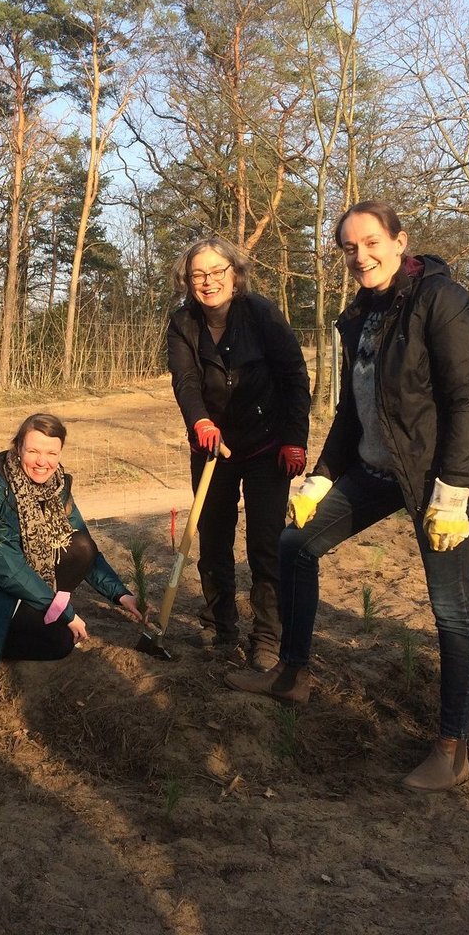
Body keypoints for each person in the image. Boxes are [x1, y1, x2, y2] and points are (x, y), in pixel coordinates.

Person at [225, 200, 469, 793]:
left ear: (401, 242)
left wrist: (453, 491)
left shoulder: (441, 300)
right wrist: (324, 474)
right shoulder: (360, 316)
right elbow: (354, 410)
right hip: (377, 470)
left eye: (371, 242)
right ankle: (293, 674)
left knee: (451, 608)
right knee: (297, 544)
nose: (361, 256)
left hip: (437, 479)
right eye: (349, 248)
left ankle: (452, 748)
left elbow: (467, 404)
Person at [0, 413, 150, 704]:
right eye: (33, 451)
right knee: (56, 635)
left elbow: (82, 546)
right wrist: (66, 613)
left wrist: (122, 595)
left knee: (79, 557)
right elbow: (8, 570)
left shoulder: (56, 486)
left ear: (60, 452)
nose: (43, 461)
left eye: (51, 453)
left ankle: (5, 634)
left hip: (15, 587)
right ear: (18, 447)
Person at [166, 237, 311, 671]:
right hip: (213, 446)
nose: (208, 282)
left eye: (217, 272)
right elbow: (186, 381)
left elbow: (294, 375)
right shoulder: (182, 323)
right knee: (212, 537)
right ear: (188, 281)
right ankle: (219, 624)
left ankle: (267, 636)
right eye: (198, 274)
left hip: (268, 444)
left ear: (235, 274)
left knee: (266, 543)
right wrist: (200, 422)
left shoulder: (261, 314)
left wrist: (294, 438)